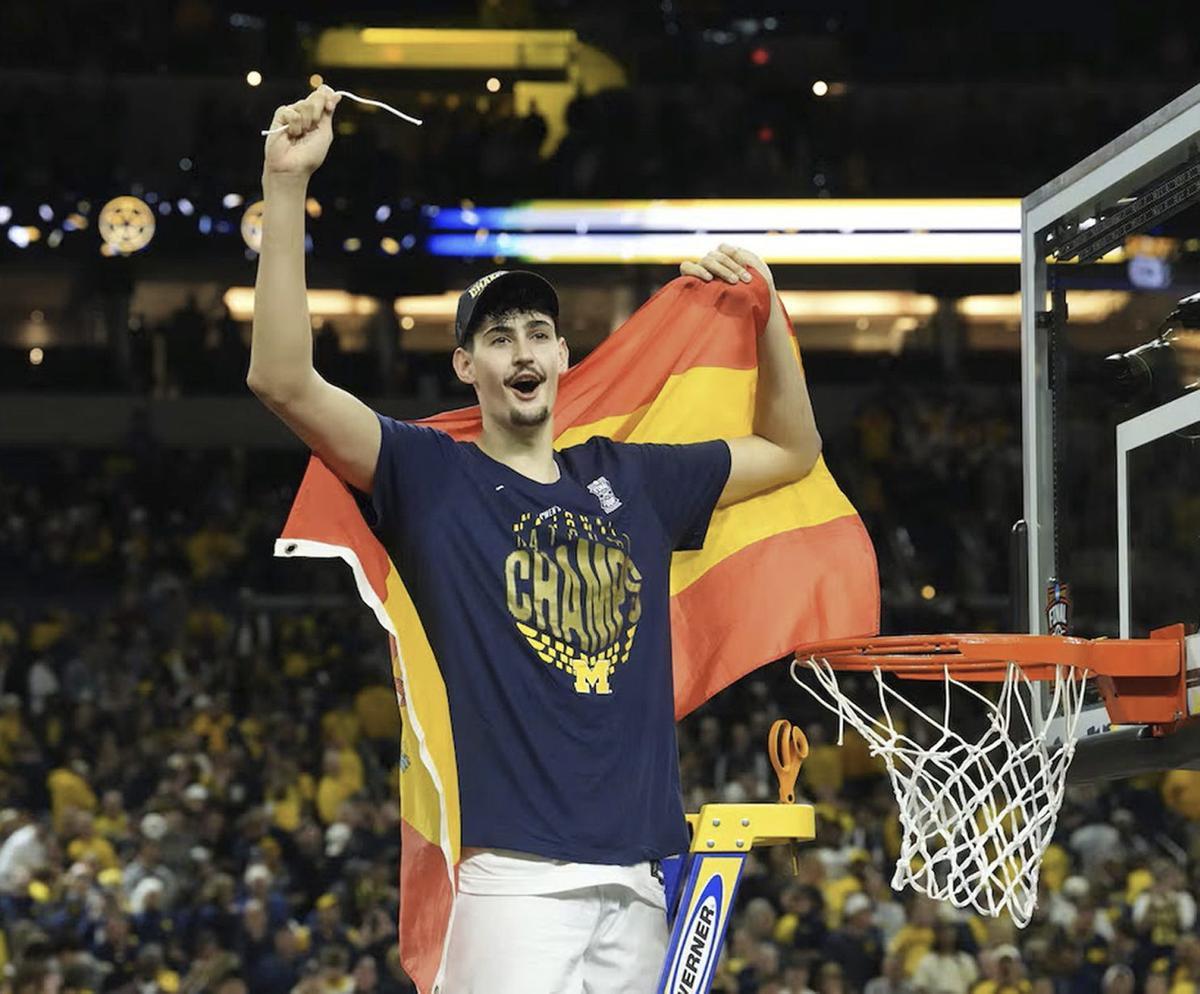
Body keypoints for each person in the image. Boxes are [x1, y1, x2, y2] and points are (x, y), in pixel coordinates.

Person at [248, 85, 822, 993]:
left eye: (540, 332)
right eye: (499, 335)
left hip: (639, 881)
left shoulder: (632, 478)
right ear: (466, 367)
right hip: (514, 887)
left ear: (563, 359)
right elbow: (282, 378)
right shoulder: (432, 477)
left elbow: (793, 449)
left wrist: (767, 309)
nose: (523, 349)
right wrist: (287, 187)